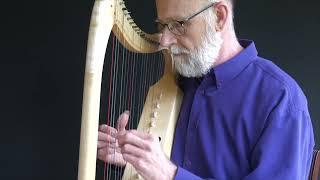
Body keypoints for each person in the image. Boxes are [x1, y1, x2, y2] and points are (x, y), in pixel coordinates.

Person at [97, 0, 315, 179]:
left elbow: (168, 172)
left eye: (178, 24)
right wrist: (133, 158)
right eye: (162, 25)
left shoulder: (281, 100)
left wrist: (170, 175)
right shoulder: (183, 81)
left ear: (219, 17)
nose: (164, 39)